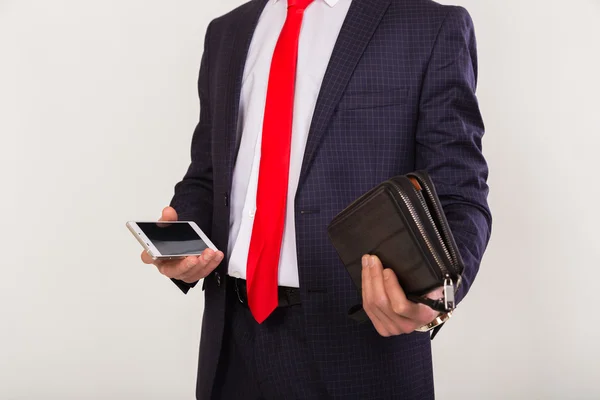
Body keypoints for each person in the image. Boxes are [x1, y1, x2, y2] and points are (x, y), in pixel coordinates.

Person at [141, 0, 492, 398]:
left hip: (361, 342)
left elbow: (459, 193)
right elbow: (207, 177)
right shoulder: (227, 31)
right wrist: (181, 239)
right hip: (231, 339)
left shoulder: (429, 25)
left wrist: (436, 295)